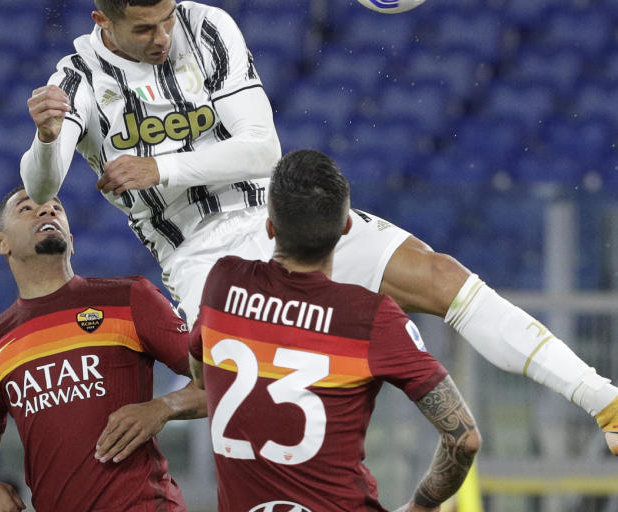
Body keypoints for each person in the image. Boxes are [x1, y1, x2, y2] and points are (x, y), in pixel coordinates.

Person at [20, 0, 618, 459]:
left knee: (441, 277)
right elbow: (44, 184)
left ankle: (612, 404)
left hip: (277, 213)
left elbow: (263, 147)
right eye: (145, 29)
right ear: (102, 21)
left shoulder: (208, 29)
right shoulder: (77, 78)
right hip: (200, 253)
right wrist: (50, 138)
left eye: (167, 18)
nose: (163, 36)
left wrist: (159, 166)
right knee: (247, 396)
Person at [189, 149, 480, 511]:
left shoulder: (223, 283)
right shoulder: (369, 317)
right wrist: (422, 506)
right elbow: (463, 438)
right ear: (345, 228)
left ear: (269, 225)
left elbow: (201, 373)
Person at [0, 185, 206, 511]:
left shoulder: (130, 299)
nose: (47, 211)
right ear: (0, 242)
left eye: (56, 207)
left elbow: (224, 379)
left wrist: (162, 408)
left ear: (71, 242)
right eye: (26, 208)